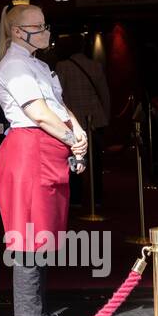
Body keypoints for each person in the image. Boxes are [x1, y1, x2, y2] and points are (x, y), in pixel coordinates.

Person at [0, 4, 88, 316]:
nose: (47, 30)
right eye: (40, 26)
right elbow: (39, 113)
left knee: (43, 236)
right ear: (19, 32)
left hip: (46, 150)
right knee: (28, 238)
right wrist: (72, 139)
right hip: (29, 150)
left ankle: (38, 313)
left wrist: (77, 133)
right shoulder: (15, 65)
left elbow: (59, 107)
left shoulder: (37, 64)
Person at [54, 32, 109, 207]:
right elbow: (104, 93)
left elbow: (58, 95)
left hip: (73, 121)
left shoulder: (62, 66)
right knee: (96, 161)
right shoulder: (95, 66)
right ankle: (97, 198)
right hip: (95, 118)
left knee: (74, 158)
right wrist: (106, 116)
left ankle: (76, 198)